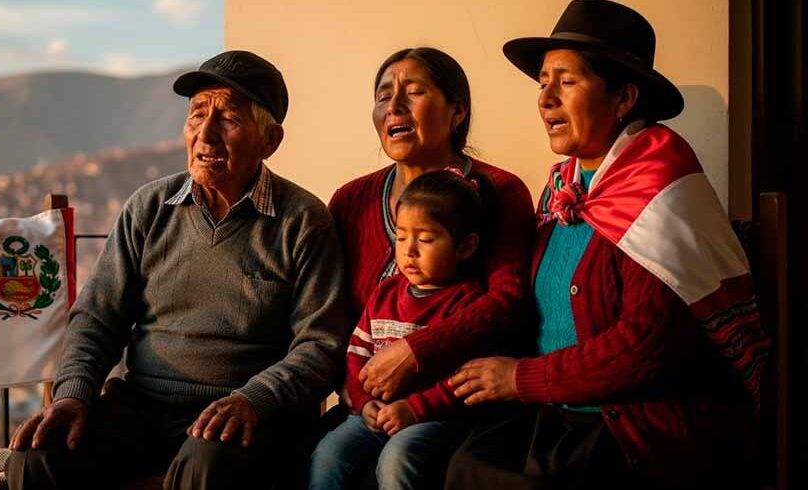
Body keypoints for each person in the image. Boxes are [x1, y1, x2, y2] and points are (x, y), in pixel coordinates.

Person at [443, 1, 770, 488]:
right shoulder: (564, 190)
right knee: (459, 461)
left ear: (623, 99)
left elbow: (645, 348)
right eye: (543, 83)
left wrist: (517, 379)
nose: (546, 98)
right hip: (557, 412)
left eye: (567, 82)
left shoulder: (662, 188)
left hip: (634, 424)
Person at [5, 50, 350, 490]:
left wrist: (253, 399)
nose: (205, 135)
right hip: (142, 407)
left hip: (244, 416)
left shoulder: (302, 220)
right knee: (37, 454)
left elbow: (320, 345)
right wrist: (74, 395)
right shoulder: (148, 208)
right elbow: (97, 318)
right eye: (196, 115)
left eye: (228, 118)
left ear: (270, 140)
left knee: (206, 464)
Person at [328, 47, 535, 412]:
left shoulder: (500, 191)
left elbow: (506, 304)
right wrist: (352, 390)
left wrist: (414, 352)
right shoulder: (350, 200)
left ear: (457, 111)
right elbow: (332, 316)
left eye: (414, 91)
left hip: (453, 406)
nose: (394, 106)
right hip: (368, 405)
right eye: (383, 95)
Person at [310, 169, 501, 490]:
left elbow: (464, 380)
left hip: (431, 417)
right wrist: (363, 402)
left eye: (425, 239)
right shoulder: (385, 292)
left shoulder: (466, 303)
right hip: (373, 412)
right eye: (400, 237)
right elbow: (358, 354)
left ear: (466, 247)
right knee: (329, 453)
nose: (409, 250)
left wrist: (414, 408)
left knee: (397, 458)